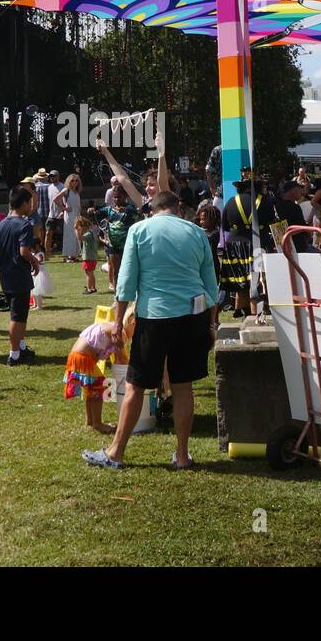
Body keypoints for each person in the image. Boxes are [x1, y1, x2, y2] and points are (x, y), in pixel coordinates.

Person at [83, 190, 219, 471]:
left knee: (136, 385)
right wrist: (212, 323)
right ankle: (182, 455)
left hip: (155, 317)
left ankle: (116, 452)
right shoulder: (196, 232)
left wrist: (119, 321)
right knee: (183, 386)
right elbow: (211, 285)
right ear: (176, 209)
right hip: (193, 316)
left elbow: (126, 281)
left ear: (153, 209)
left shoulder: (139, 230)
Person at [0, 186, 41, 366]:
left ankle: (21, 346)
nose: (31, 207)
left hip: (6, 275)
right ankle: (14, 355)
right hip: (19, 275)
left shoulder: (1, 225)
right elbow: (24, 251)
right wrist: (35, 260)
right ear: (24, 203)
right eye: (31, 203)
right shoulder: (24, 224)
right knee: (17, 317)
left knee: (20, 314)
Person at [219, 175, 277, 319]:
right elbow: (274, 223)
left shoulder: (231, 202)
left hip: (235, 246)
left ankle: (241, 310)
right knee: (257, 280)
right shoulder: (266, 201)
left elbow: (225, 226)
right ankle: (256, 312)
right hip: (258, 245)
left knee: (241, 280)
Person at [65, 319, 126, 435]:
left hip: (75, 357)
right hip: (83, 358)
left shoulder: (109, 327)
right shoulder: (116, 330)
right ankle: (98, 424)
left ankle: (90, 421)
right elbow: (122, 358)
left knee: (91, 389)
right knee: (99, 387)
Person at [92, 182, 139, 288]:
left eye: (119, 197)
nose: (117, 200)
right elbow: (96, 217)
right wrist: (92, 212)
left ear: (126, 196)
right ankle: (117, 295)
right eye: (115, 197)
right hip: (113, 245)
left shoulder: (130, 208)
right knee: (115, 271)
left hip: (127, 245)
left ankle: (131, 293)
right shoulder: (109, 210)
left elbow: (137, 214)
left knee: (128, 270)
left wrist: (125, 210)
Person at [52, 173, 83, 262]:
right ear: (69, 181)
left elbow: (78, 204)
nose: (75, 182)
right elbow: (55, 199)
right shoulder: (66, 190)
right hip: (69, 215)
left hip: (77, 215)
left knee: (77, 234)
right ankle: (68, 255)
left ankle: (75, 254)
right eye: (72, 180)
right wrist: (64, 208)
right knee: (70, 234)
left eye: (77, 181)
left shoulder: (77, 192)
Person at [76, 215, 98, 293]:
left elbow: (80, 238)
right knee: (91, 273)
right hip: (92, 257)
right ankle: (93, 288)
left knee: (88, 273)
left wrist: (77, 229)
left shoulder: (88, 234)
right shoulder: (91, 233)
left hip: (89, 257)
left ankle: (89, 289)